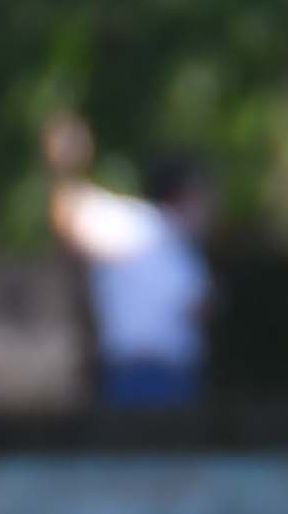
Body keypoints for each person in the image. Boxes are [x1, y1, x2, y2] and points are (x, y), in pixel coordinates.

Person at [44, 117, 213, 408]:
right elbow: (70, 215)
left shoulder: (173, 243)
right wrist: (66, 165)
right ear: (185, 195)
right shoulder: (141, 228)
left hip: (164, 377)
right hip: (144, 378)